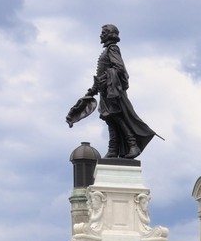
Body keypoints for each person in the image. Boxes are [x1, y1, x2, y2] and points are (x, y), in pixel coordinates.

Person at [67, 23, 157, 160]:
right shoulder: (107, 50)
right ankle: (113, 150)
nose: (100, 35)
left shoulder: (113, 48)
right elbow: (102, 74)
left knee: (116, 117)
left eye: (103, 33)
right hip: (105, 91)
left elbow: (119, 68)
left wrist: (104, 80)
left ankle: (133, 145)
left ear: (110, 34)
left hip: (112, 91)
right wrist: (93, 90)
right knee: (110, 119)